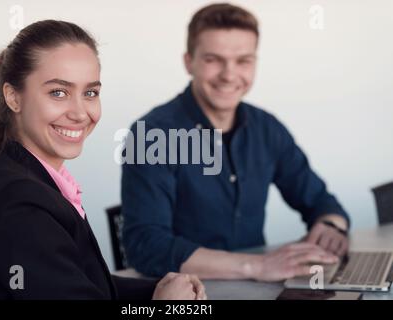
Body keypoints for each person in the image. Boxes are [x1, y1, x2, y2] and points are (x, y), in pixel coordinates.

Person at [0, 20, 206, 300]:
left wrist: (156, 288)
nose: (80, 112)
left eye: (90, 93)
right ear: (13, 97)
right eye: (58, 92)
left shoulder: (30, 177)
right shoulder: (21, 203)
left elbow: (79, 282)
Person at [121, 3, 350, 281]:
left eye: (243, 60)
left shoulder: (267, 128)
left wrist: (330, 226)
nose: (229, 75)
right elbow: (146, 246)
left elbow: (321, 201)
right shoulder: (151, 135)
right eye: (213, 59)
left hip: (259, 290)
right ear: (188, 61)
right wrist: (256, 266)